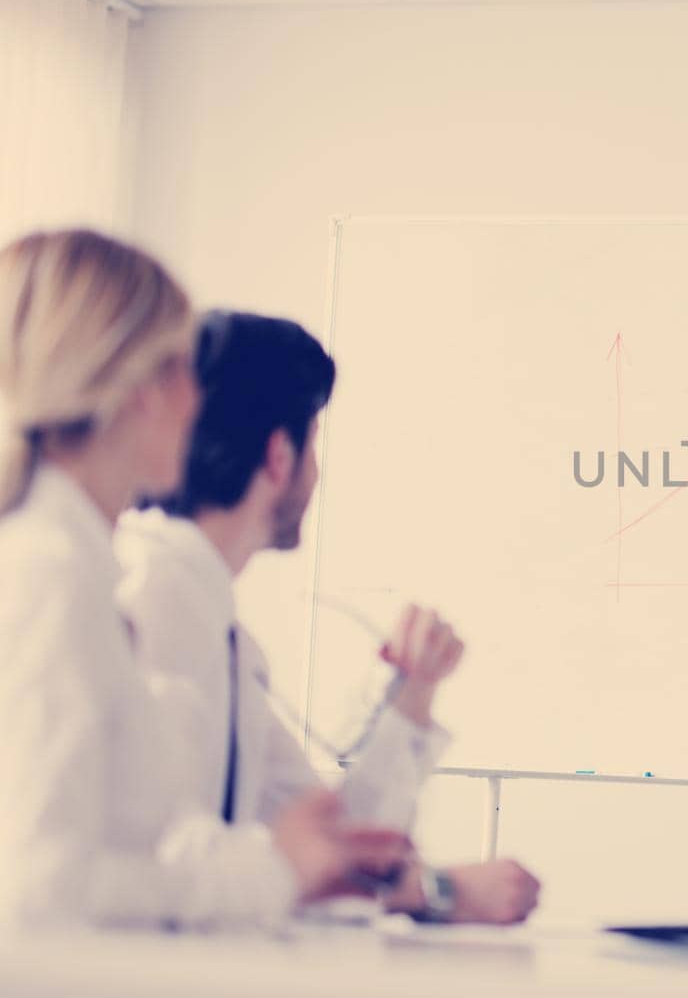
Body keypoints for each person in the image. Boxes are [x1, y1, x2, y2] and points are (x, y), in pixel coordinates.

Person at [0, 229, 409, 930]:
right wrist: (270, 872)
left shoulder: (89, 578)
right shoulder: (56, 579)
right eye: (179, 367)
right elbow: (36, 887)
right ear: (129, 387)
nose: (197, 401)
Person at [116, 310, 540, 925]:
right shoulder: (154, 600)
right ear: (280, 455)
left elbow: (341, 845)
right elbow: (175, 868)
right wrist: (433, 891)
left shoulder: (214, 625)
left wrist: (414, 692)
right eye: (315, 442)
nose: (318, 472)